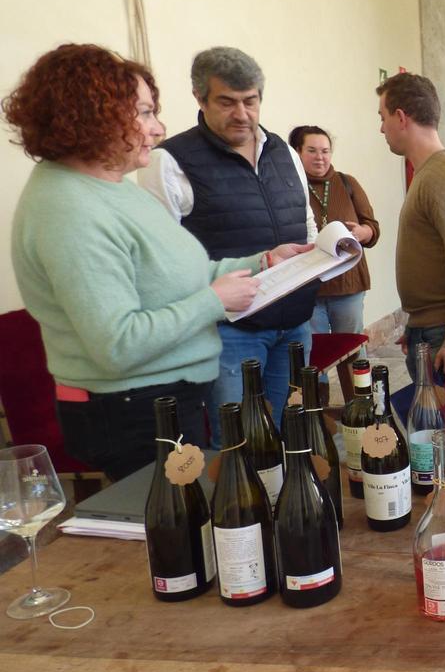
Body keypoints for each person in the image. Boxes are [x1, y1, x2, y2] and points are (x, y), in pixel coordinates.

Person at [6, 44, 309, 480]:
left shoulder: (108, 186)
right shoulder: (69, 208)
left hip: (163, 401)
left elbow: (179, 275)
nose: (158, 128)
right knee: (172, 536)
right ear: (95, 116)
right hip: (132, 412)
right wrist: (212, 301)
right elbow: (116, 344)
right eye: (145, 113)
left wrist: (262, 261)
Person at [139, 46, 318, 440]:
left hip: (295, 323)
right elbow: (161, 262)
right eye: (227, 102)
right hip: (230, 331)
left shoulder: (285, 152)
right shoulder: (169, 162)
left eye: (250, 101)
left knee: (296, 434)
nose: (242, 114)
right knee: (240, 444)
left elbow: (304, 224)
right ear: (199, 98)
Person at [378, 72, 445, 382]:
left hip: (441, 333)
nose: (381, 128)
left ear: (400, 117)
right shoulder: (429, 171)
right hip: (427, 328)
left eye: (382, 117)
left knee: (443, 430)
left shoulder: (444, 174)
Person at [289, 125, 380, 395]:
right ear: (297, 152)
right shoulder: (291, 187)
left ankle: (361, 407)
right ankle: (322, 416)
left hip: (348, 285)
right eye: (312, 151)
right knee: (314, 356)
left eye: (326, 151)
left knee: (354, 351)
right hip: (310, 288)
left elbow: (372, 226)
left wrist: (365, 232)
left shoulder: (347, 182)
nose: (320, 157)